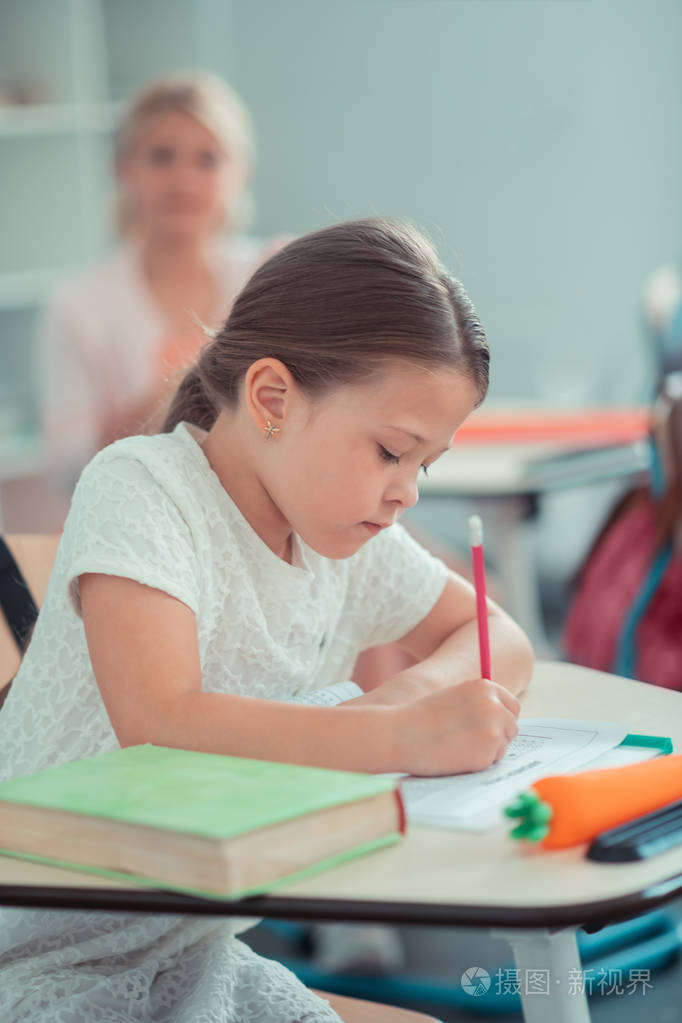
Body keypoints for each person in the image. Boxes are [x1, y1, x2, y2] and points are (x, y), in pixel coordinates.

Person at [0, 218, 534, 1023]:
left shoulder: (337, 532)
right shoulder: (143, 487)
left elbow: (502, 640)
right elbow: (160, 720)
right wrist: (398, 736)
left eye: (427, 464)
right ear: (273, 398)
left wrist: (400, 706)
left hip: (182, 959)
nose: (407, 492)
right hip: (39, 963)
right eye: (391, 451)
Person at [39, 70, 285, 497]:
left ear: (241, 173)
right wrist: (188, 381)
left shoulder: (271, 274)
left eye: (207, 159)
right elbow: (68, 473)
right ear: (124, 168)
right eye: (162, 156)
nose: (184, 181)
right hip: (132, 519)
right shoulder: (78, 304)